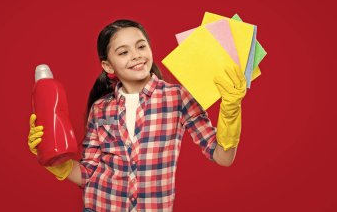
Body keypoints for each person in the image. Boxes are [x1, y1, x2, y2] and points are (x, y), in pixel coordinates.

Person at [28, 19, 247, 212]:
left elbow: (223, 157)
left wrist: (230, 109)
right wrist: (57, 164)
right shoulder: (100, 109)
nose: (136, 56)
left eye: (141, 46)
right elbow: (88, 174)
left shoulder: (177, 97)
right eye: (123, 52)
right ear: (107, 65)